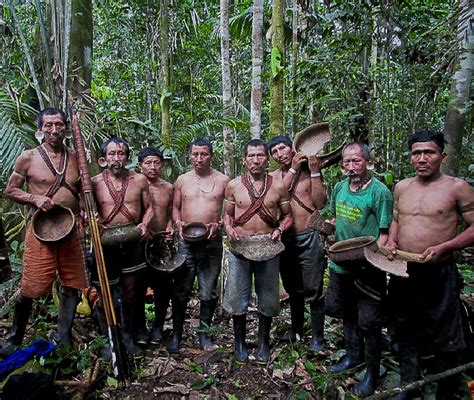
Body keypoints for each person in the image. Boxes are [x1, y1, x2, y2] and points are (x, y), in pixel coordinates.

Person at [386, 130, 474, 399]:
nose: (422, 158)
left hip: (439, 271)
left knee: (445, 332)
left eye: (429, 152)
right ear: (411, 157)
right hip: (404, 269)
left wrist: (445, 247)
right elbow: (397, 220)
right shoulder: (402, 187)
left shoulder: (457, 188)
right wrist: (391, 241)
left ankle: (445, 390)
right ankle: (409, 384)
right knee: (404, 327)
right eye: (416, 153)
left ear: (442, 156)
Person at [2, 108, 88, 355]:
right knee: (31, 286)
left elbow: (83, 192)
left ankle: (63, 337)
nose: (54, 130)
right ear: (40, 129)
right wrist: (34, 198)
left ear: (66, 128)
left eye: (59, 125)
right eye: (48, 125)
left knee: (72, 283)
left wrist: (85, 211)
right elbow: (12, 190)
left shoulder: (76, 158)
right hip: (41, 230)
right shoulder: (27, 158)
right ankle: (16, 336)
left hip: (71, 230)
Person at [325, 142, 393, 397]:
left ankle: (372, 374)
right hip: (341, 264)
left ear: (367, 161)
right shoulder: (340, 188)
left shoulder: (379, 192)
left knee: (370, 321)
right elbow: (335, 218)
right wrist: (325, 227)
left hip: (367, 267)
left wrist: (374, 261)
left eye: (357, 161)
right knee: (347, 313)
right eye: (347, 162)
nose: (351, 167)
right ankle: (352, 357)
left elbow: (385, 234)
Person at [223, 138, 293, 363]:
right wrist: (229, 227)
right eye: (251, 156)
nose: (256, 160)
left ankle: (263, 343)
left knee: (269, 297)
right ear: (244, 160)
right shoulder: (234, 185)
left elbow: (288, 216)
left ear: (267, 159)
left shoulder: (279, 185)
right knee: (237, 297)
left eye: (260, 155)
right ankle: (239, 343)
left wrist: (280, 228)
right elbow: (227, 215)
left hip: (268, 247)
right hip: (240, 248)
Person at [91, 137, 153, 357]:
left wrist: (145, 224)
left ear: (127, 157)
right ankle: (109, 339)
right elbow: (84, 210)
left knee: (129, 290)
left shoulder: (140, 180)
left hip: (132, 240)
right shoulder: (94, 183)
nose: (116, 158)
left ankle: (128, 337)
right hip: (104, 243)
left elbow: (149, 209)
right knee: (105, 292)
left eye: (120, 154)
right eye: (111, 154)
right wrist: (93, 222)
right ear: (104, 158)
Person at [268, 136, 327, 352]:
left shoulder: (309, 173)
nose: (279, 153)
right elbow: (273, 200)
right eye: (274, 151)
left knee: (314, 288)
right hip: (285, 239)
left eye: (282, 148)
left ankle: (318, 338)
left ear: (292, 148)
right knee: (293, 288)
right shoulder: (274, 178)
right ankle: (296, 331)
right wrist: (292, 170)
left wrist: (315, 171)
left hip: (308, 235)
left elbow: (320, 202)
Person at [171, 138, 229, 352]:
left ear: (211, 155)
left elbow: (230, 211)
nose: (199, 158)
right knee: (181, 290)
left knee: (207, 291)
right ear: (190, 155)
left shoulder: (223, 180)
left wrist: (220, 223)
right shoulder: (182, 180)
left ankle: (205, 335)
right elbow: (176, 208)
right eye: (195, 154)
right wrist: (178, 222)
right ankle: (176, 335)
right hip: (186, 242)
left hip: (211, 242)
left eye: (203, 154)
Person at [137, 147, 174, 345]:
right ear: (140, 165)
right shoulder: (134, 184)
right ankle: (141, 328)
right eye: (148, 163)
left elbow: (170, 213)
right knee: (138, 285)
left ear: (162, 164)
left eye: (156, 162)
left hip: (160, 244)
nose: (152, 167)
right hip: (140, 242)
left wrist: (169, 227)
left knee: (163, 286)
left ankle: (158, 326)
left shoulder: (168, 187)